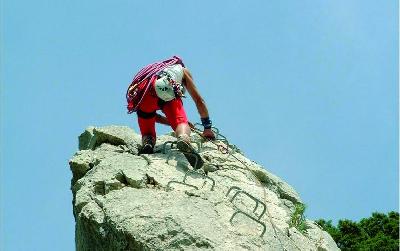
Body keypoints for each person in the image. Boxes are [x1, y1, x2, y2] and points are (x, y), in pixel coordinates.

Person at [126, 56, 215, 169]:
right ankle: (183, 138)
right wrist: (207, 128)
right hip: (169, 96)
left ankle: (148, 142)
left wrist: (170, 122)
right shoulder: (183, 71)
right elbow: (199, 101)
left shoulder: (150, 76)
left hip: (147, 94)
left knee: (146, 122)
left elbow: (152, 116)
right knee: (181, 122)